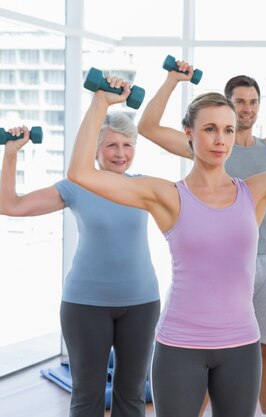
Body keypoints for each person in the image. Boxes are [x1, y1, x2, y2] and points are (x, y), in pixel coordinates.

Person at [67, 75, 266, 417]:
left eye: (228, 130)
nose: (221, 140)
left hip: (241, 344)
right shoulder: (167, 195)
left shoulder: (255, 192)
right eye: (210, 129)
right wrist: (100, 103)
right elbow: (80, 172)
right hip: (179, 346)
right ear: (188, 132)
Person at [0, 116, 160, 417]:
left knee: (133, 395)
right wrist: (10, 154)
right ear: (95, 149)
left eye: (127, 145)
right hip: (85, 306)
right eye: (111, 145)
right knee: (87, 398)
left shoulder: (143, 187)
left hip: (142, 304)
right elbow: (10, 205)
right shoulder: (76, 186)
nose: (120, 153)